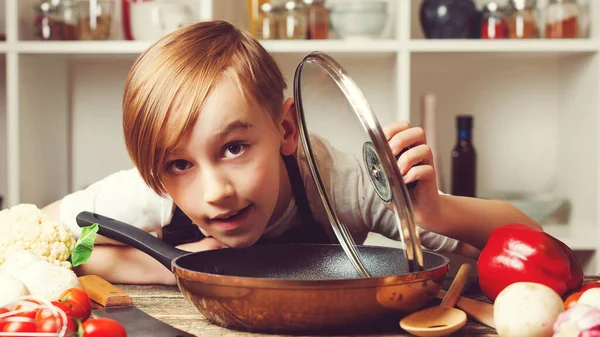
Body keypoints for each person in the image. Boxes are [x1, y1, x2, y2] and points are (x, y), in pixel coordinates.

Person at [42, 20, 541, 285]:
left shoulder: (339, 185)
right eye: (179, 164)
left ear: (285, 127)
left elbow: (531, 244)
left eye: (234, 147)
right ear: (156, 172)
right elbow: (36, 236)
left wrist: (435, 210)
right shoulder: (152, 191)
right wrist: (170, 265)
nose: (215, 191)